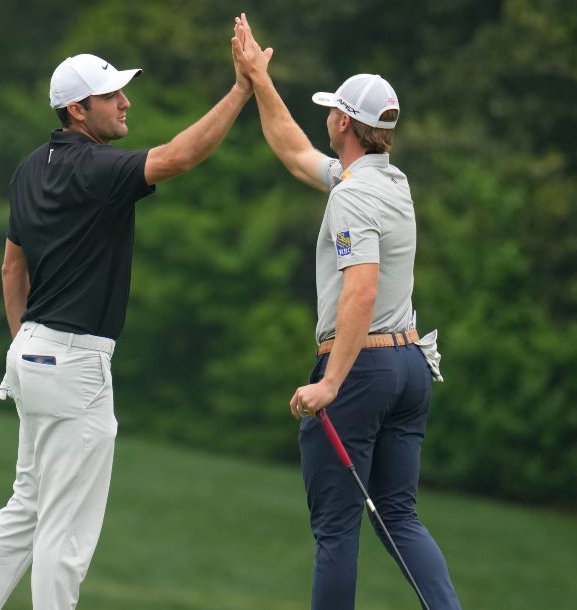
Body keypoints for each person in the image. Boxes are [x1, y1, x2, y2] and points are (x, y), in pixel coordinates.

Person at [0, 44, 255, 609]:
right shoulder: (96, 168)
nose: (125, 101)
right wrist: (241, 90)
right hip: (74, 365)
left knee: (27, 509)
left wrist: (22, 350)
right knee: (64, 531)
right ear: (76, 110)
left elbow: (10, 267)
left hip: (34, 351)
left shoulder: (28, 168)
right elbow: (180, 158)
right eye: (111, 95)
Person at [232, 14, 461, 610]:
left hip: (360, 372)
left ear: (343, 122)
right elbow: (292, 149)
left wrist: (330, 382)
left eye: (332, 111)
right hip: (410, 365)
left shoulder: (352, 197)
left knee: (336, 529)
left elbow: (361, 287)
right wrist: (258, 79)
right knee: (398, 517)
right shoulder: (389, 183)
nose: (326, 119)